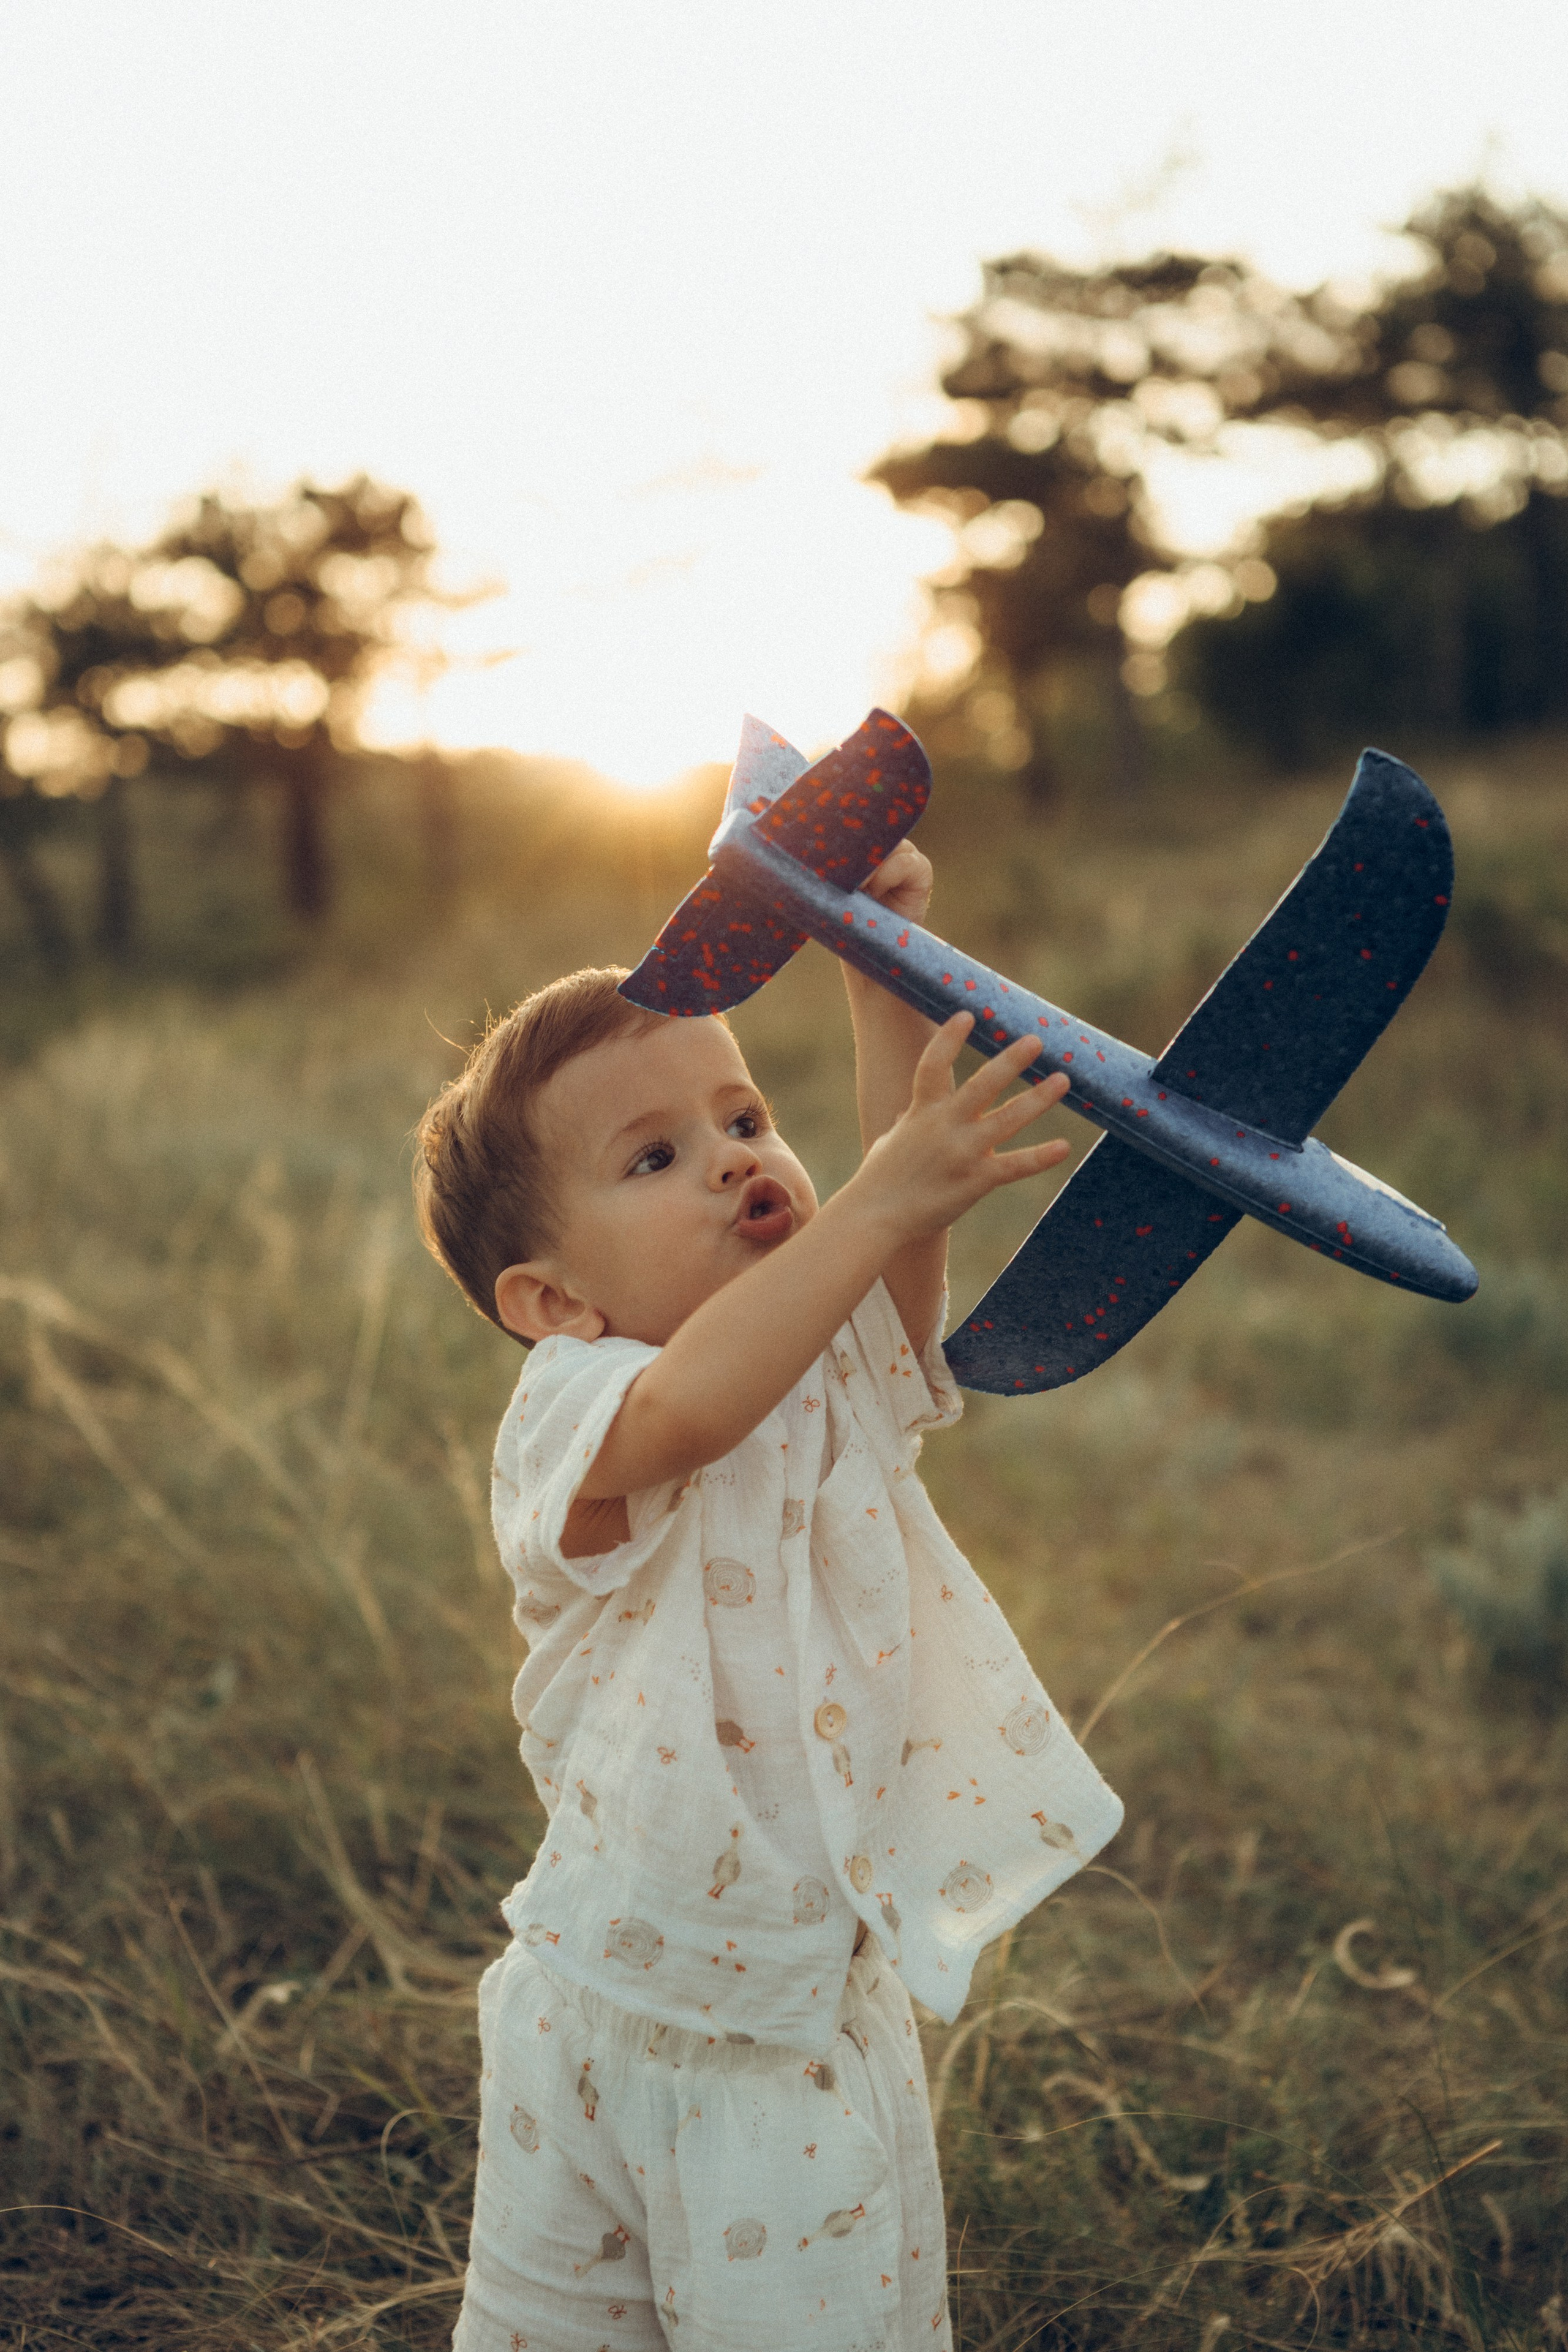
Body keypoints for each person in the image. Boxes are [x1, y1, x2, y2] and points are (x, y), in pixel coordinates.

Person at [414, 838, 1124, 2352]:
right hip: (594, 2006)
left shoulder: (814, 1367)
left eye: (745, 1119)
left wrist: (878, 971)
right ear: (551, 1301)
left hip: (784, 2027)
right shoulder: (575, 1406)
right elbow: (694, 1412)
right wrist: (873, 1203)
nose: (739, 1160)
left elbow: (893, 1257)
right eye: (654, 1157)